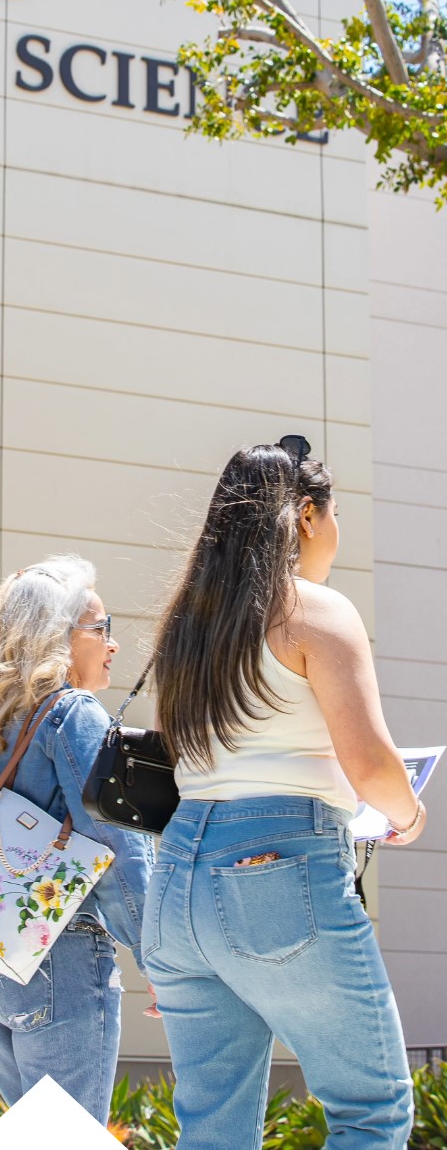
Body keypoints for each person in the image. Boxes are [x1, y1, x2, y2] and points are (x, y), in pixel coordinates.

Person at [144, 438, 423, 1150]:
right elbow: (370, 764)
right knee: (371, 1112)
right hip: (279, 868)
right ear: (304, 516)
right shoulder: (316, 612)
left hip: (176, 884)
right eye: (333, 517)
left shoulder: (186, 627)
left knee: (213, 1130)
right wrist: (409, 814)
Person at [0, 554, 154, 1125]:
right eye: (101, 628)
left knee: (38, 1137)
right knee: (66, 1139)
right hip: (57, 957)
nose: (112, 644)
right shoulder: (73, 713)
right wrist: (161, 961)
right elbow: (116, 849)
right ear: (58, 639)